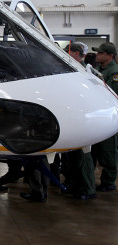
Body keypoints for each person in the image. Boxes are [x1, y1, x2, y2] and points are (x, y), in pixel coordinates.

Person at [61, 43, 96, 199]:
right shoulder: (74, 70)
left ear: (75, 53)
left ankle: (88, 190)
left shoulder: (83, 72)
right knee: (75, 160)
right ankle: (76, 185)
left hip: (84, 123)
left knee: (83, 159)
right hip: (75, 122)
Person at [90, 42, 118, 192]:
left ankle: (108, 181)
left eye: (100, 53)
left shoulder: (114, 73)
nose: (97, 55)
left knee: (108, 152)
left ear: (110, 56)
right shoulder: (97, 71)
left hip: (109, 117)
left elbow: (111, 94)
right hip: (97, 117)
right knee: (94, 151)